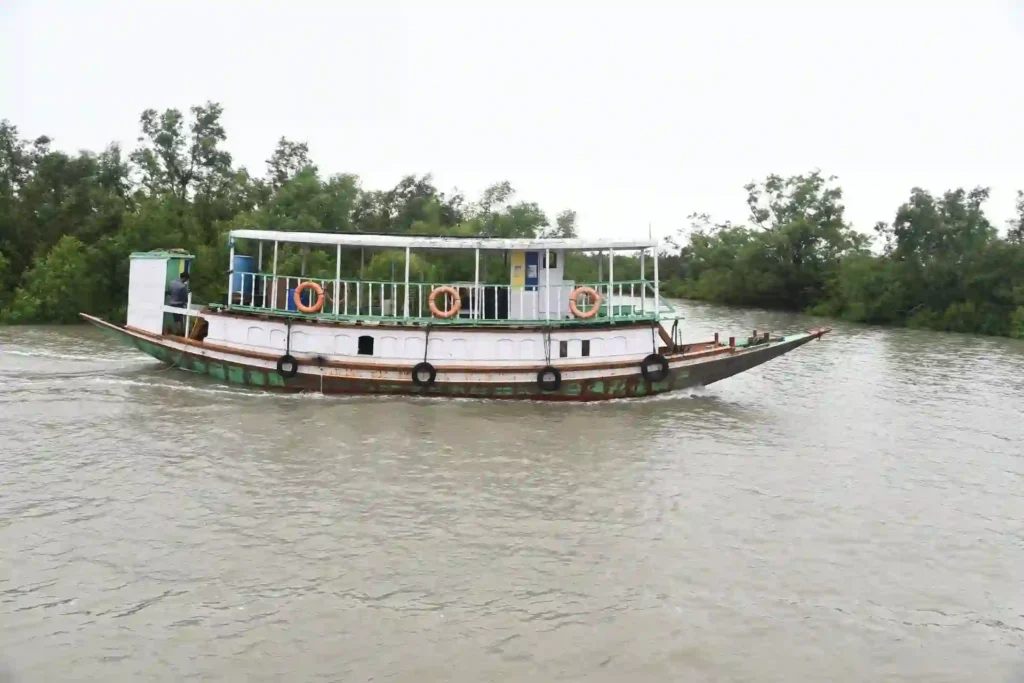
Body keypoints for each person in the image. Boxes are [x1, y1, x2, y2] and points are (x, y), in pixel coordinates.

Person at [166, 271, 190, 335]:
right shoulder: (183, 286)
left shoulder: (171, 283)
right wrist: (186, 302)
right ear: (184, 278)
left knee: (176, 319)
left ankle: (179, 331)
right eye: (186, 279)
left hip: (172, 303)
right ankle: (180, 333)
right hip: (179, 304)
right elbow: (185, 297)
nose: (186, 281)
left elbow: (169, 292)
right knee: (180, 318)